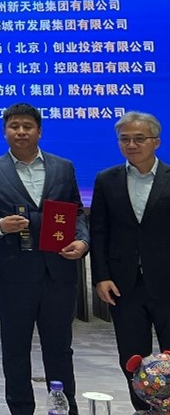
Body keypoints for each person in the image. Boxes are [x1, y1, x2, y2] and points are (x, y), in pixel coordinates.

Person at [0, 102, 88, 415]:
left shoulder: (63, 167)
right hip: (14, 275)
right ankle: (21, 409)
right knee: (15, 350)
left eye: (27, 126)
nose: (21, 132)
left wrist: (82, 240)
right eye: (14, 126)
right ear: (5, 131)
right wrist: (0, 225)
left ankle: (64, 408)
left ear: (39, 131)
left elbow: (77, 211)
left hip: (58, 274)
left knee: (60, 349)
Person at [89, 111, 168, 412]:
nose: (131, 145)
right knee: (132, 356)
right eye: (125, 139)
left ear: (156, 142)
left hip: (167, 281)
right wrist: (101, 276)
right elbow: (99, 232)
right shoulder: (107, 180)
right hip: (124, 284)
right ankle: (142, 408)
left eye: (139, 138)